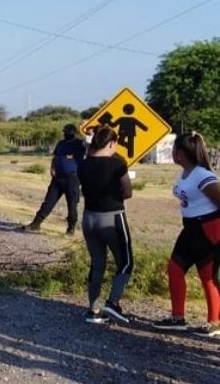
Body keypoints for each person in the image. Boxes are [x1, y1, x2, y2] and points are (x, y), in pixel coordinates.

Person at [154, 132, 220, 337]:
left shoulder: (202, 175)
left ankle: (215, 322)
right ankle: (177, 317)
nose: (171, 152)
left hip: (208, 229)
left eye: (174, 149)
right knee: (174, 268)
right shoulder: (185, 173)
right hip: (190, 228)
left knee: (208, 277)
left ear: (181, 153)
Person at [77, 126, 134, 324]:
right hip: (112, 218)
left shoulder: (83, 165)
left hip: (89, 218)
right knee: (125, 262)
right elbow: (128, 192)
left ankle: (93, 310)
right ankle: (113, 303)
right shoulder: (117, 164)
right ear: (111, 143)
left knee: (97, 263)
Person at [23, 123, 86, 235]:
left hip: (73, 178)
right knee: (48, 201)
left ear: (74, 133)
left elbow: (91, 143)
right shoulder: (61, 144)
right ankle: (36, 223)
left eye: (69, 132)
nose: (67, 134)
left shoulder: (80, 144)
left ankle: (70, 228)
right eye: (65, 132)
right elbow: (55, 157)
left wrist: (87, 130)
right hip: (58, 178)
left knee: (72, 204)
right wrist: (52, 168)